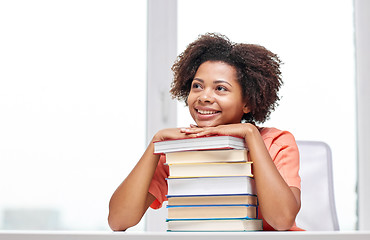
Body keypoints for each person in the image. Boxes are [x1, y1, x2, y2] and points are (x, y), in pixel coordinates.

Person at [108, 33, 302, 231]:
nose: (204, 97)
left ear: (247, 102)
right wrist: (156, 143)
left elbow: (282, 220)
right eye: (197, 86)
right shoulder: (177, 151)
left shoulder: (277, 142)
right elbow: (118, 220)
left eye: (220, 88)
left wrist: (250, 134)